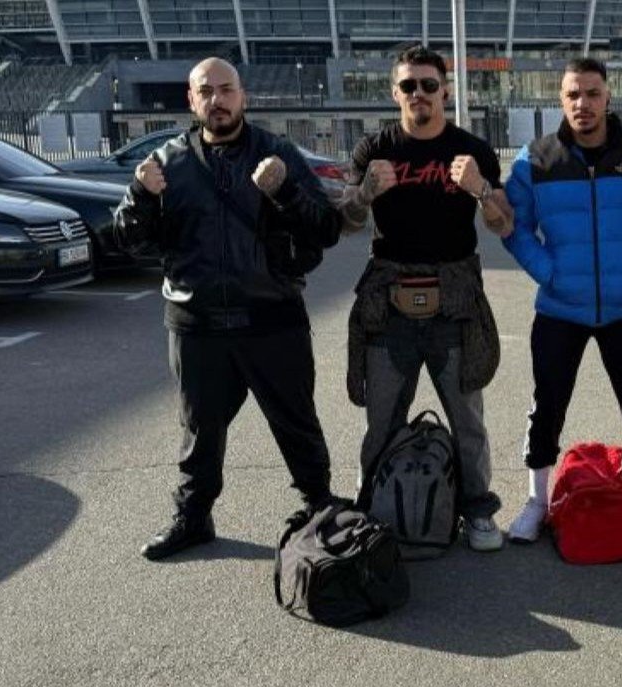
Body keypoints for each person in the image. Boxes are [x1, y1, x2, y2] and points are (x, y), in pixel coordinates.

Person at [114, 57, 343, 561]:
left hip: (271, 316)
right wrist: (140, 196)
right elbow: (129, 241)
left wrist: (285, 191)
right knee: (199, 430)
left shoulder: (278, 153)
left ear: (243, 96)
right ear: (191, 100)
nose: (217, 100)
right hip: (196, 324)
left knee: (297, 422)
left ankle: (320, 508)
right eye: (206, 91)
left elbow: (325, 229)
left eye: (226, 89)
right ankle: (193, 517)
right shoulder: (168, 161)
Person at [337, 45, 512, 552]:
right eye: (408, 86)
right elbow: (346, 223)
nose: (419, 94)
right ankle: (374, 508)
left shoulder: (471, 149)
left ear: (445, 91)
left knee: (467, 419)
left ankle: (478, 511)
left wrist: (480, 190)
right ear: (395, 93)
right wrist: (365, 193)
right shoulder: (374, 149)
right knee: (382, 419)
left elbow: (504, 223)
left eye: (429, 85)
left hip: (454, 300)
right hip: (389, 302)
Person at [501, 58, 622, 544]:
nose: (583, 103)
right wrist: (549, 272)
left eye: (592, 93)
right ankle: (537, 501)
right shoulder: (536, 159)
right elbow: (514, 227)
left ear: (607, 97)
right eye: (573, 95)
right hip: (559, 308)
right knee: (547, 405)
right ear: (561, 100)